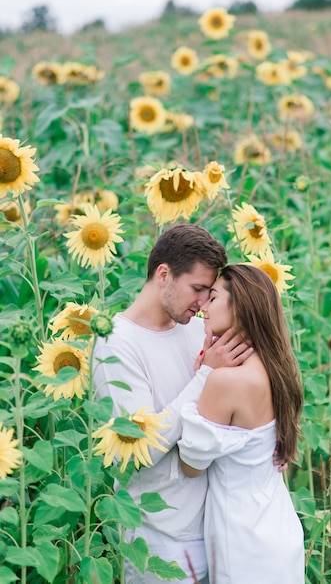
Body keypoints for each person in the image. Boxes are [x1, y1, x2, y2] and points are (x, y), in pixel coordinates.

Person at [93, 223, 253, 584]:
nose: (202, 303)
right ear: (163, 274)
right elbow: (136, 449)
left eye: (208, 292)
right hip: (158, 534)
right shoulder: (117, 344)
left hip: (215, 524)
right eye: (196, 289)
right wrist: (204, 376)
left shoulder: (196, 326)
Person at [178, 264, 305, 584]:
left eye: (213, 297)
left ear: (242, 307)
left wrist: (203, 377)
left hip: (242, 536)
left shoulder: (225, 381)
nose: (203, 307)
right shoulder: (276, 368)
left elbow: (191, 465)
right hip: (278, 524)